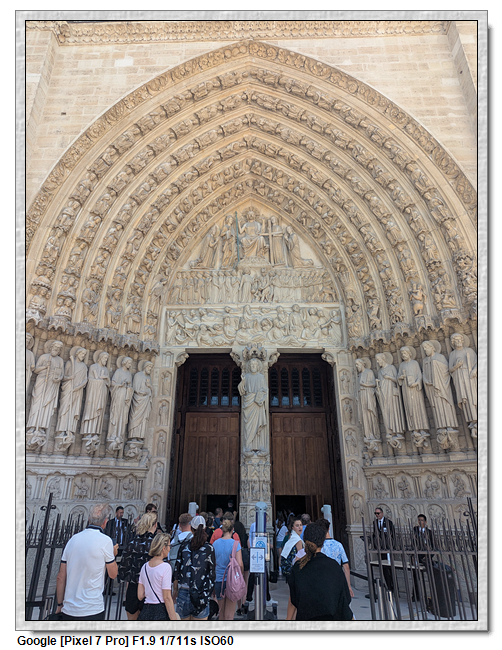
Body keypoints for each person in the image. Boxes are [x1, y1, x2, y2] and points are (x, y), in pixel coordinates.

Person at [55, 503, 118, 620]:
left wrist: (59, 604)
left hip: (69, 608)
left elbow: (60, 577)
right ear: (105, 522)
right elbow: (113, 574)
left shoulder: (73, 539)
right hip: (92, 608)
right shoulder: (105, 541)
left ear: (89, 519)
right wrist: (113, 555)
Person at [287, 523, 353, 621]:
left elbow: (294, 599)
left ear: (305, 540)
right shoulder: (334, 566)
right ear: (322, 542)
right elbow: (345, 599)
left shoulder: (298, 567)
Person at [173, 515, 216, 621]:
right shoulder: (209, 548)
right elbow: (211, 573)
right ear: (205, 528)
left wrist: (175, 590)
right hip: (201, 592)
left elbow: (177, 569)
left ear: (191, 528)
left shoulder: (184, 546)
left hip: (184, 590)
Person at [118, 512, 158, 620]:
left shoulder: (132, 542)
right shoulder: (156, 545)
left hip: (134, 587)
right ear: (155, 525)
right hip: (151, 588)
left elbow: (124, 568)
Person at [137, 533, 180, 620]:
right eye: (169, 546)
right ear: (164, 548)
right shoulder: (165, 567)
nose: (170, 549)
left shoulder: (144, 567)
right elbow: (167, 597)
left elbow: (140, 595)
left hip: (146, 610)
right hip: (160, 610)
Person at [213, 518, 243, 620]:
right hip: (232, 581)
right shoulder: (235, 544)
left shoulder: (215, 544)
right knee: (229, 615)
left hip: (219, 579)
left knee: (221, 612)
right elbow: (240, 564)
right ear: (232, 530)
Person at [315, 518, 354, 598]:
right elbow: (346, 566)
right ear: (329, 528)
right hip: (337, 577)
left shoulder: (317, 546)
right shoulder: (338, 545)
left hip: (322, 579)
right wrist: (348, 586)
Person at [412, 514, 435, 602]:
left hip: (426, 556)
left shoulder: (429, 532)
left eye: (422, 520)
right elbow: (413, 543)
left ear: (425, 522)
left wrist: (429, 556)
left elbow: (433, 546)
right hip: (417, 555)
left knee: (430, 576)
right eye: (419, 520)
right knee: (416, 576)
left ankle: (432, 596)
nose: (420, 522)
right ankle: (415, 595)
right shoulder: (415, 530)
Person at [372, 507, 396, 593]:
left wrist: (392, 546)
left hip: (388, 548)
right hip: (380, 548)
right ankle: (388, 585)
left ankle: (393, 586)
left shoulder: (388, 523)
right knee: (383, 567)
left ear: (382, 513)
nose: (377, 515)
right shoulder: (375, 523)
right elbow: (375, 534)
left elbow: (392, 535)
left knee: (390, 567)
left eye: (378, 513)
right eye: (376, 513)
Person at [280, 516, 303, 581]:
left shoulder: (291, 537)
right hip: (294, 569)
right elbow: (300, 557)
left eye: (301, 525)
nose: (300, 527)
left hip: (287, 569)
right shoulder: (298, 540)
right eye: (297, 526)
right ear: (293, 528)